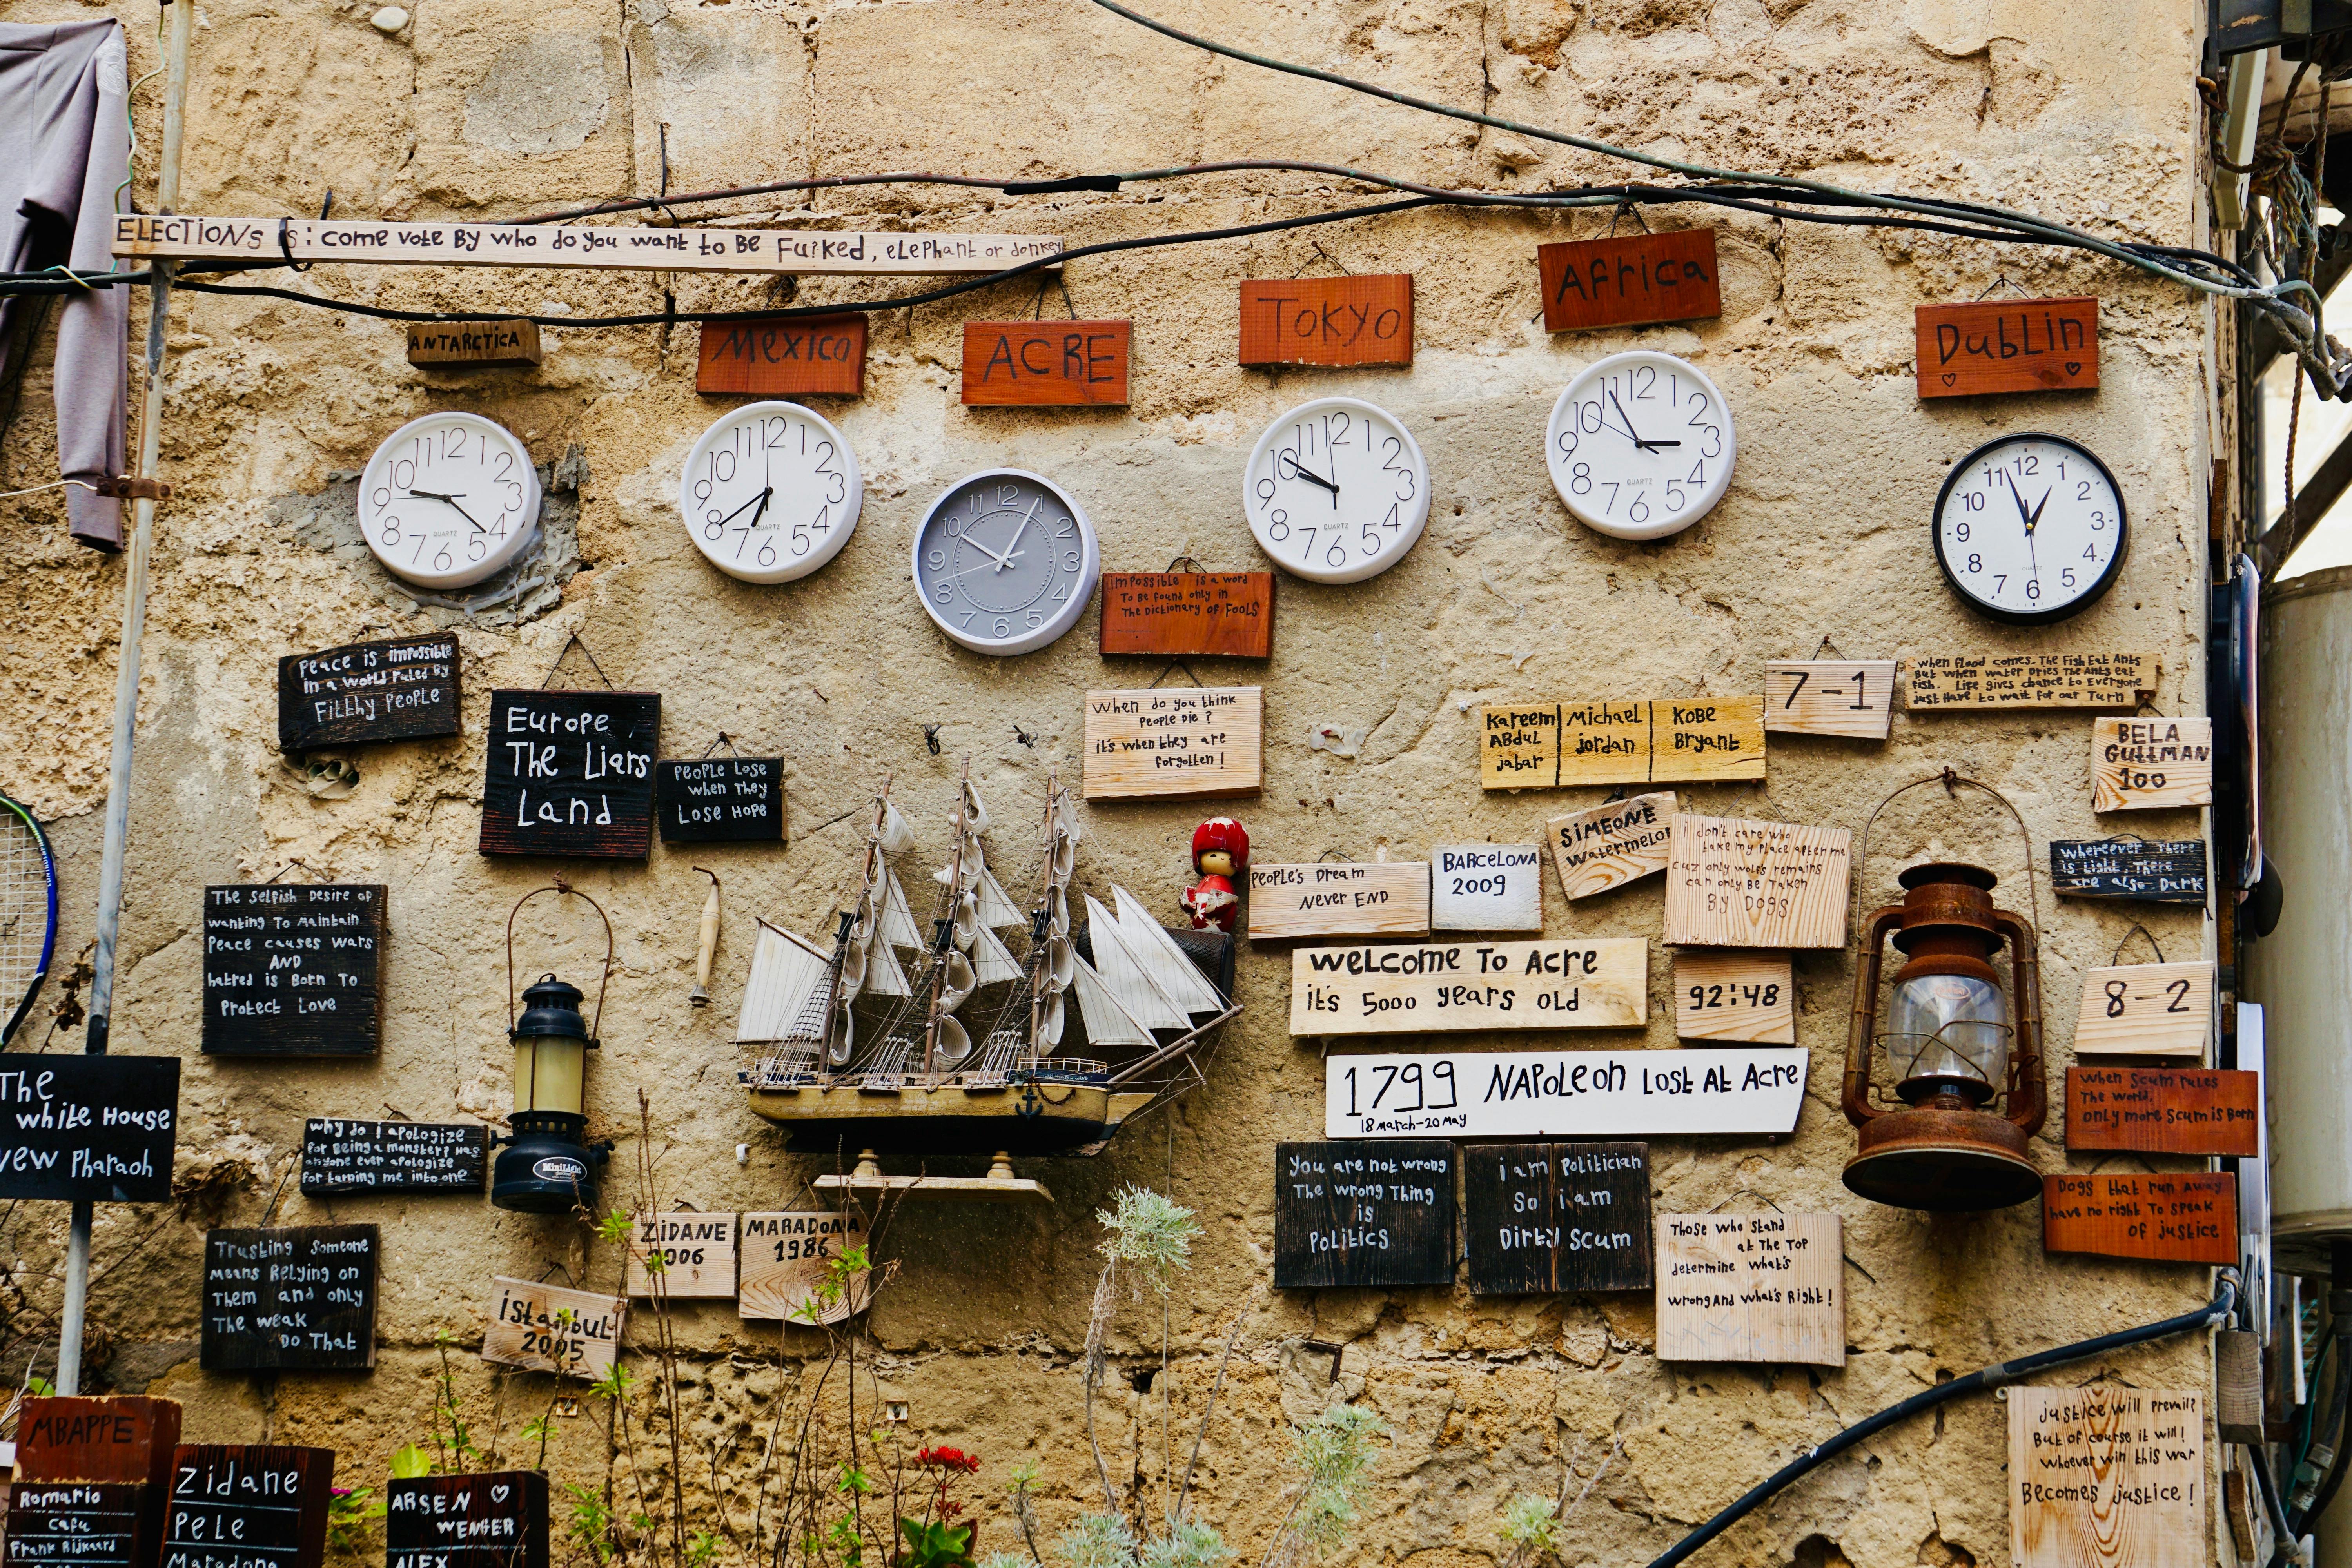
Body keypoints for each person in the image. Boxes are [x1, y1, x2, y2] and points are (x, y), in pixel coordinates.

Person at [1182, 817, 1249, 932]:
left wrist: (1216, 904)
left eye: (1223, 855)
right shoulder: (1206, 880)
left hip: (1218, 930)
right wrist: (1188, 901)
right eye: (1210, 854)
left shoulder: (1223, 882)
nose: (1215, 858)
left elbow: (1225, 902)